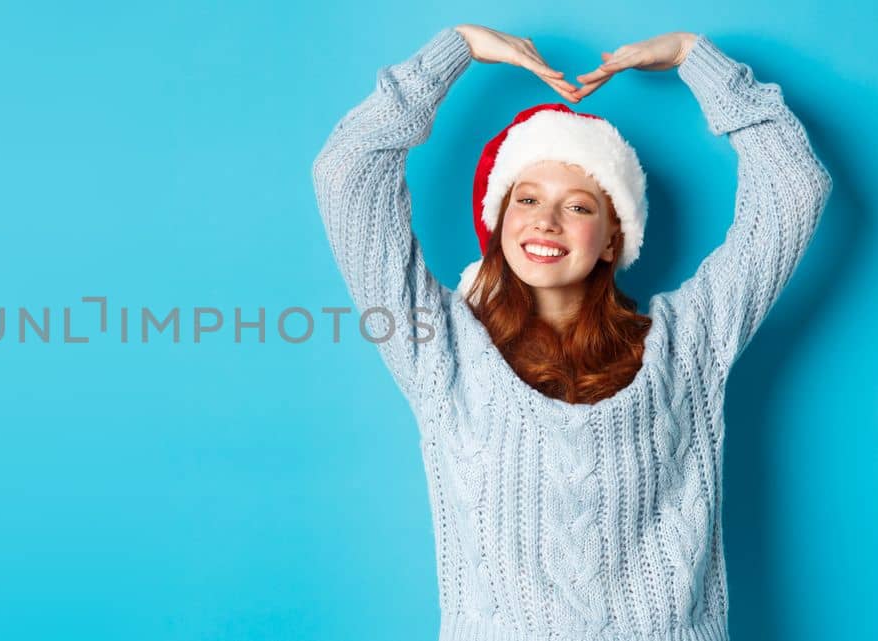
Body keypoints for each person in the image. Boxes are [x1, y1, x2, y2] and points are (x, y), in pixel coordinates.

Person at [309, 24, 832, 640]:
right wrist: (458, 47)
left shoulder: (688, 342)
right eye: (525, 200)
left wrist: (697, 58)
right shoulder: (439, 349)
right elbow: (347, 173)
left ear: (614, 236)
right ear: (499, 221)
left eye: (580, 206)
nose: (547, 222)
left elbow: (795, 188)